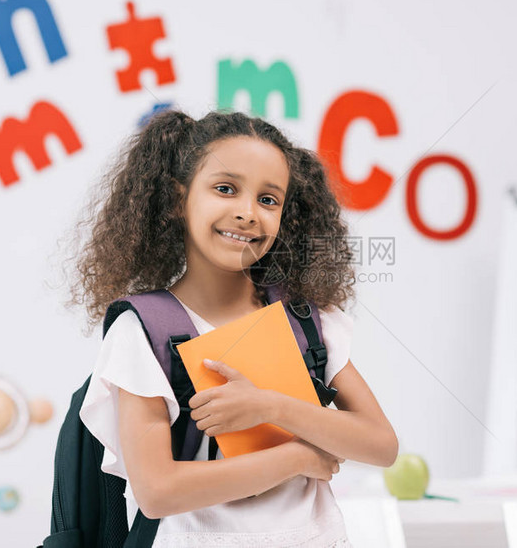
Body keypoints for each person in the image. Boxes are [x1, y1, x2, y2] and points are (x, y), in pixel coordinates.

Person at [63, 109, 399, 547]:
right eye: (225, 189)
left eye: (268, 199)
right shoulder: (142, 331)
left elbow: (381, 446)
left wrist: (270, 407)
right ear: (176, 200)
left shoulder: (307, 322)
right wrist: (297, 456)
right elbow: (157, 492)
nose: (247, 213)